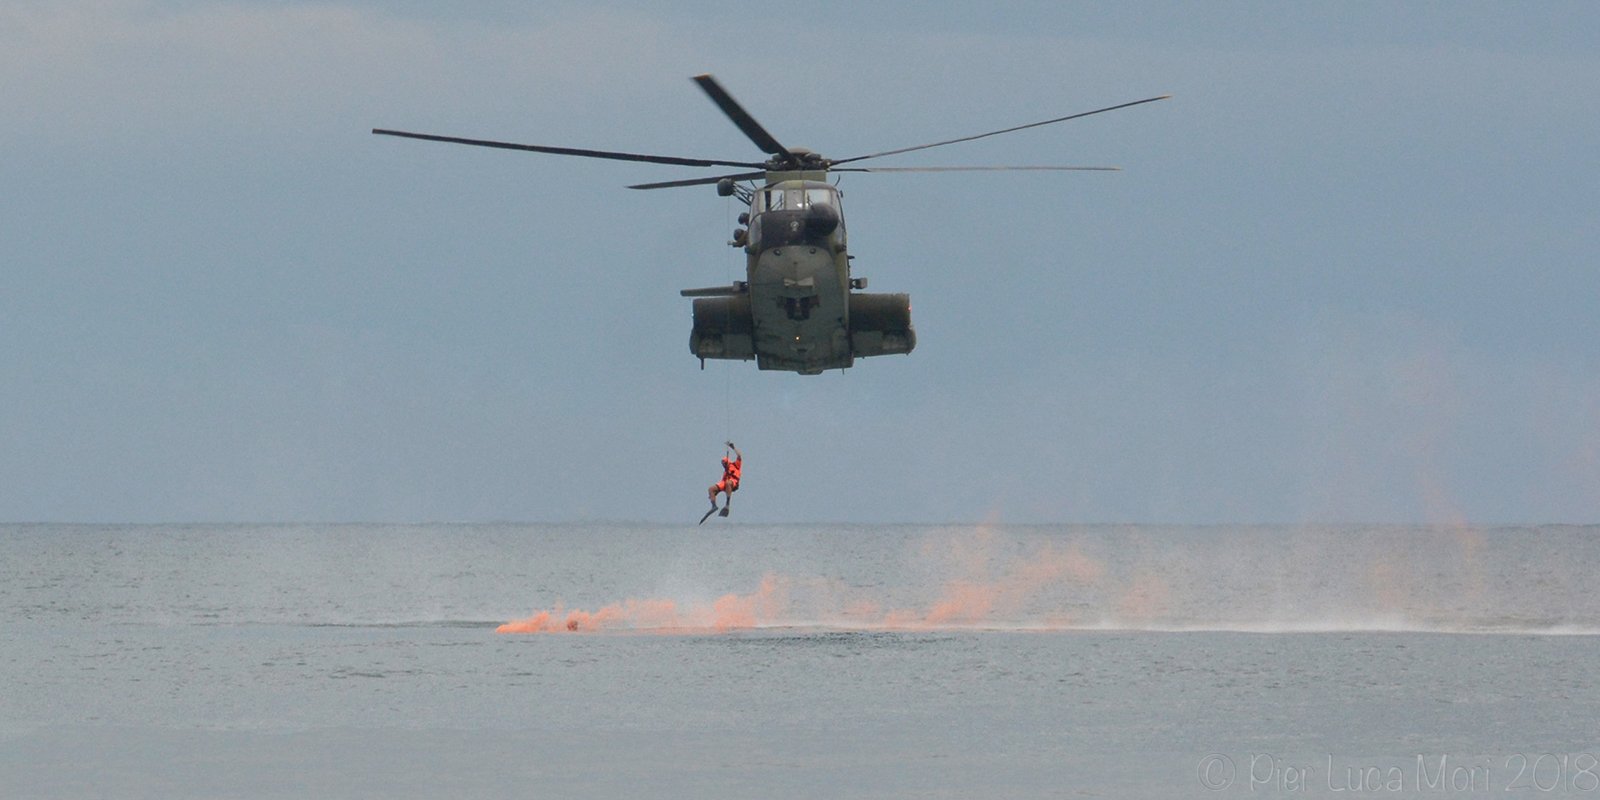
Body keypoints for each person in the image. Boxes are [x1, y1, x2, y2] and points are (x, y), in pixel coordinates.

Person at [707, 441, 742, 516]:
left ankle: (727, 504)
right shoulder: (725, 471)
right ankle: (714, 506)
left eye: (724, 463)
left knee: (728, 483)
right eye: (722, 464)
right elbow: (722, 482)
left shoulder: (736, 465)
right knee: (711, 489)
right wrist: (714, 493)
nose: (723, 465)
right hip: (724, 483)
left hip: (733, 482)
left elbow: (739, 456)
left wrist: (733, 447)